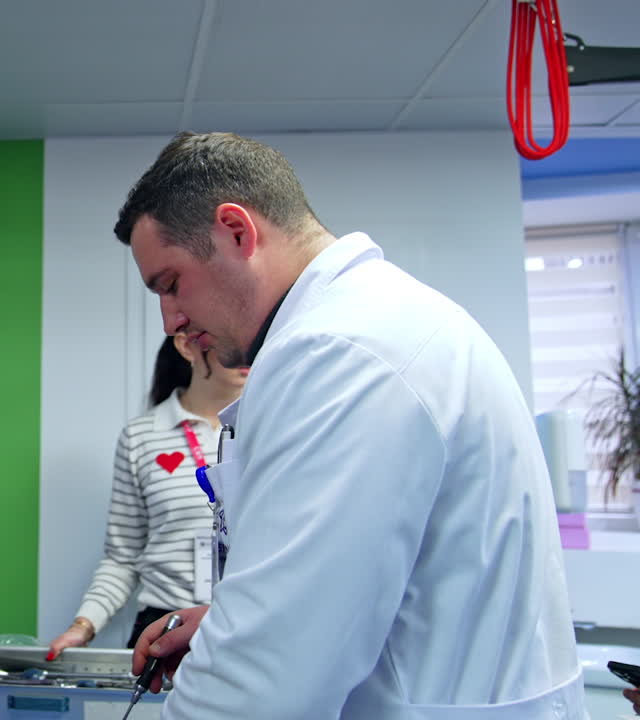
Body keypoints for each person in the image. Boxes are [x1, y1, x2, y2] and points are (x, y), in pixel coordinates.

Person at [117, 132, 584, 718]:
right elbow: (383, 579)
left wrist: (243, 638)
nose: (171, 320)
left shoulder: (339, 354)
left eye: (171, 283)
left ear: (237, 232)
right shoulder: (373, 323)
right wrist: (228, 622)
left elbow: (262, 681)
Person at [47, 334, 246, 659]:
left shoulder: (267, 428)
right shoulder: (142, 436)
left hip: (243, 624)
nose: (246, 353)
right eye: (225, 337)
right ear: (186, 346)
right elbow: (123, 556)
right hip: (163, 626)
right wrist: (83, 626)